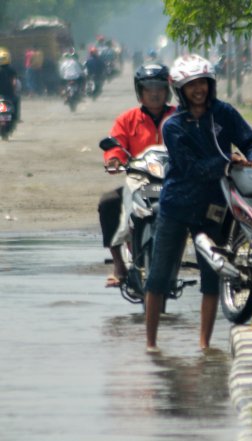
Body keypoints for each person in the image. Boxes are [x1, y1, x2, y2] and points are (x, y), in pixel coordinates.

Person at [144, 54, 252, 351]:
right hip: (176, 205)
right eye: (191, 85)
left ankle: (204, 346)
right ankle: (151, 345)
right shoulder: (172, 126)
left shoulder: (224, 113)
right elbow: (191, 167)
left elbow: (251, 142)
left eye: (203, 83)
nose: (198, 90)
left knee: (211, 278)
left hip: (214, 207)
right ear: (181, 89)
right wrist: (227, 162)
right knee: (159, 276)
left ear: (211, 85)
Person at [99, 63, 176, 288]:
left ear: (167, 90)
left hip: (173, 182)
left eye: (160, 87)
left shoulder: (179, 117)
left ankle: (213, 261)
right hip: (139, 182)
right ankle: (119, 264)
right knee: (108, 203)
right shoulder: (127, 119)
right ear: (140, 91)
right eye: (149, 88)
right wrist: (114, 160)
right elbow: (115, 145)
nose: (154, 93)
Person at [0, 48, 20, 127]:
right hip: (9, 94)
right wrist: (14, 91)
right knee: (16, 100)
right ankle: (16, 117)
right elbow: (14, 82)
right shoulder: (11, 70)